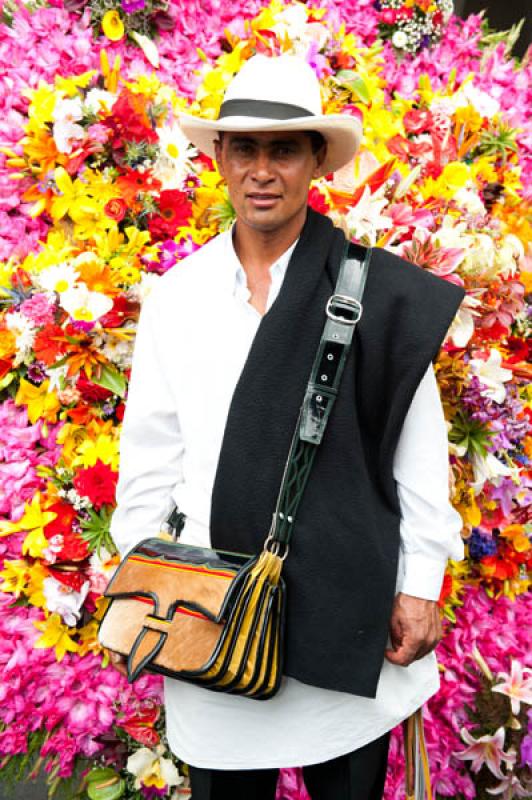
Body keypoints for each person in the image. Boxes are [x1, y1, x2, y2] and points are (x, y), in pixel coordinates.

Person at [109, 55, 465, 800]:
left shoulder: (376, 293)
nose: (262, 170)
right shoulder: (178, 298)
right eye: (245, 148)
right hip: (213, 612)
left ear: (315, 163)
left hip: (346, 603)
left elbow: (419, 452)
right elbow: (149, 456)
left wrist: (422, 583)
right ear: (219, 159)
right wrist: (144, 587)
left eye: (284, 150)